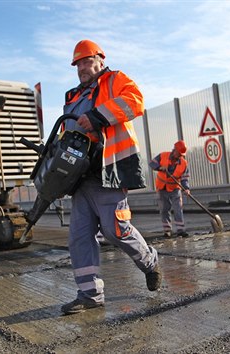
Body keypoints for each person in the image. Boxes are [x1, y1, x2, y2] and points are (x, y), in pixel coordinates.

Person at [59, 39, 162, 315]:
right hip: (81, 178)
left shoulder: (114, 80)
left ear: (100, 60)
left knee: (115, 230)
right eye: (78, 63)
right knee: (79, 237)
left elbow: (135, 101)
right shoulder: (72, 97)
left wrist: (98, 116)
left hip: (109, 171)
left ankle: (150, 261)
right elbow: (65, 134)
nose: (82, 67)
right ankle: (90, 294)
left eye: (86, 61)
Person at [149, 140, 191, 238]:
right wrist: (160, 168)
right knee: (164, 209)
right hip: (162, 188)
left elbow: (184, 178)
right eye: (178, 153)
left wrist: (186, 188)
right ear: (174, 150)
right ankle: (167, 230)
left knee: (178, 209)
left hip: (175, 189)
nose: (179, 156)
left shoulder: (184, 163)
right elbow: (152, 163)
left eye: (181, 154)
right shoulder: (163, 156)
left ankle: (180, 230)